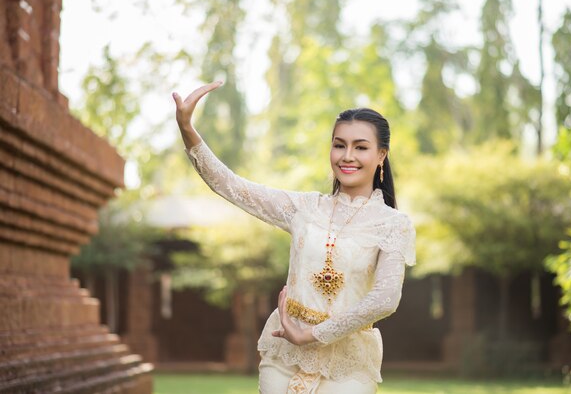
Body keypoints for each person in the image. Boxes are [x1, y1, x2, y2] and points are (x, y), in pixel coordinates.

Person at [173, 82, 416, 394]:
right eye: (339, 145)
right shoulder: (305, 208)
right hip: (285, 348)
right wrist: (186, 128)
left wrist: (316, 334)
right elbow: (231, 185)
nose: (347, 156)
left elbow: (385, 299)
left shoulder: (393, 224)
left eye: (361, 147)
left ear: (381, 155)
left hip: (348, 363)